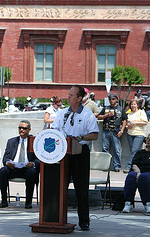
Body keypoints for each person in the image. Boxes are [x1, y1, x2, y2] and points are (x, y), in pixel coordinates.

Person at [52, 85, 99, 231]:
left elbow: (95, 134)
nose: (68, 97)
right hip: (62, 153)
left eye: (72, 95)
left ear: (79, 98)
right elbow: (54, 129)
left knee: (81, 189)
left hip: (80, 153)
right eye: (68, 94)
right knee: (59, 187)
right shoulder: (62, 113)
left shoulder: (87, 114)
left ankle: (84, 221)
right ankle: (56, 218)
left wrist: (79, 137)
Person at [0, 120, 40, 209]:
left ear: (29, 129)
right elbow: (5, 157)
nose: (21, 130)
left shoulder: (35, 142)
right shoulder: (11, 141)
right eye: (20, 128)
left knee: (32, 172)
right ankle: (4, 201)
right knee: (2, 171)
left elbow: (39, 160)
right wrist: (7, 163)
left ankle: (28, 202)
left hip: (27, 169)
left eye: (24, 128)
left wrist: (32, 164)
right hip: (13, 168)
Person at [97, 94, 127, 172]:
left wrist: (122, 130)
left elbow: (125, 120)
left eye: (113, 99)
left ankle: (116, 166)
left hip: (116, 131)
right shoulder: (106, 108)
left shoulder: (120, 109)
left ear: (116, 99)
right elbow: (99, 117)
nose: (111, 100)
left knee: (116, 150)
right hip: (106, 131)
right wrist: (107, 115)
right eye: (110, 99)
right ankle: (105, 166)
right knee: (105, 149)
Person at [123, 99, 148, 173]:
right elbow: (127, 124)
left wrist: (135, 122)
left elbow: (145, 122)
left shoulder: (141, 112)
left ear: (137, 105)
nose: (133, 106)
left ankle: (129, 166)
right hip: (130, 134)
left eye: (134, 104)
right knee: (134, 152)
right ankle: (138, 166)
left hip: (139, 134)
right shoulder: (129, 114)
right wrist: (128, 126)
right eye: (131, 104)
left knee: (134, 151)